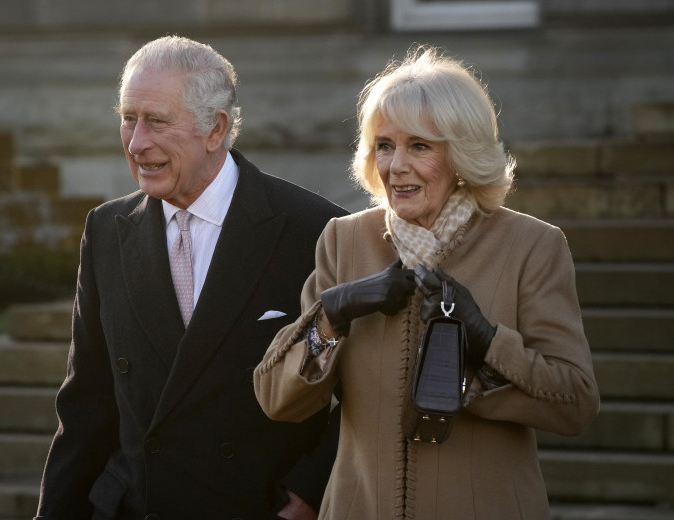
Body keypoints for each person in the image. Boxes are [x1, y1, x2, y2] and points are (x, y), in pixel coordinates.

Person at [254, 45, 600, 519]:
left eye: (420, 145)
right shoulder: (344, 240)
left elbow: (575, 403)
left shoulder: (531, 245)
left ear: (462, 155)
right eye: (384, 145)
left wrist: (489, 341)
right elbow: (277, 399)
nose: (396, 166)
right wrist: (333, 312)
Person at [34, 36, 347, 520]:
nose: (136, 143)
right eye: (127, 118)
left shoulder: (316, 231)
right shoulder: (105, 230)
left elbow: (363, 397)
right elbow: (86, 405)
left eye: (157, 121)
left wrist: (305, 498)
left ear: (215, 129)